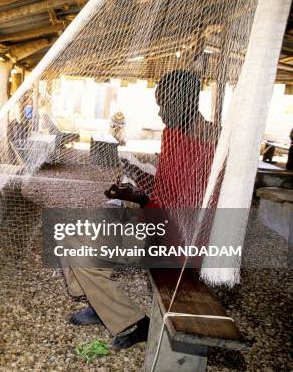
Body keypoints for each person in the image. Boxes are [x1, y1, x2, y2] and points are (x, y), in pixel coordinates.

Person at [64, 70, 217, 350]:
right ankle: (100, 300)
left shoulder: (208, 145)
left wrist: (139, 198)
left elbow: (185, 213)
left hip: (179, 243)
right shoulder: (174, 132)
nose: (160, 113)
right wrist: (137, 177)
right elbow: (165, 188)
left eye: (165, 104)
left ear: (187, 100)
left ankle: (133, 320)